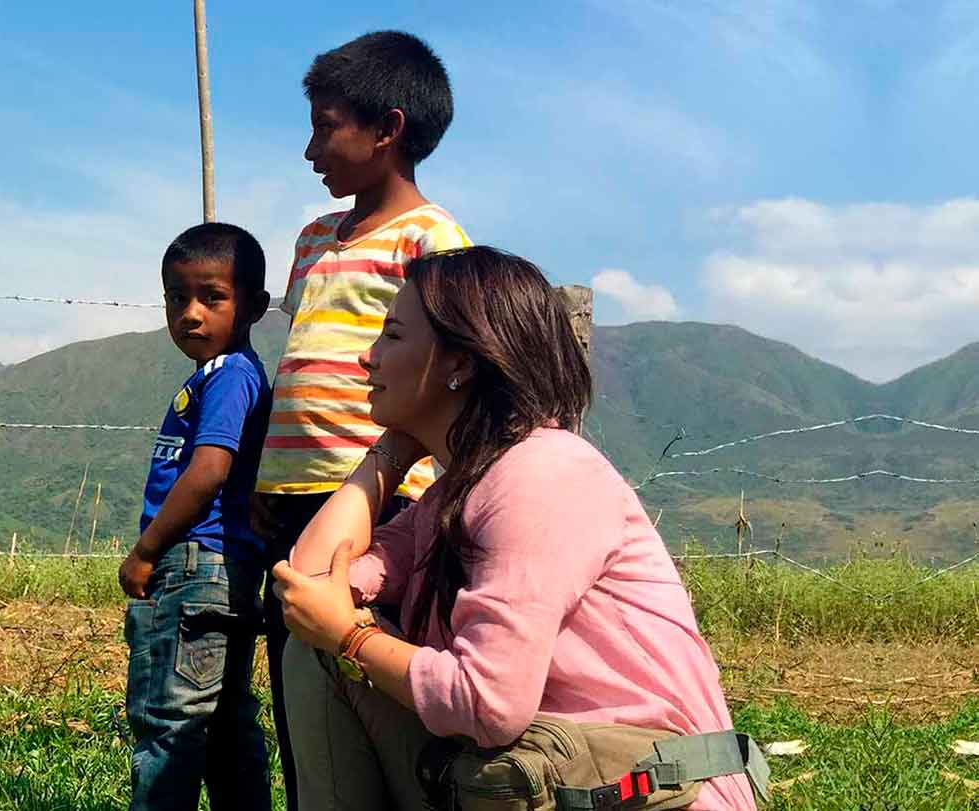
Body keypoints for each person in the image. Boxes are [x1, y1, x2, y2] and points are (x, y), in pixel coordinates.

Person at [270, 246, 763, 810]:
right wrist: (389, 452)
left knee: (330, 651)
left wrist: (352, 638)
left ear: (459, 363)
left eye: (393, 336)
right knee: (314, 653)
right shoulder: (456, 492)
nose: (368, 357)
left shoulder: (541, 476)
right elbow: (307, 584)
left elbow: (487, 703)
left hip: (642, 790)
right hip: (541, 776)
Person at [254, 30, 472, 805]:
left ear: (386, 129)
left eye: (325, 124)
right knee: (296, 676)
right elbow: (299, 359)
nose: (311, 147)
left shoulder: (431, 241)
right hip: (284, 499)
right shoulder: (314, 237)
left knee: (367, 676)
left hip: (379, 500)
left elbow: (447, 365)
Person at [120, 222, 275, 811]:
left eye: (212, 298)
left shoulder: (231, 374)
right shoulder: (217, 374)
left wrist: (147, 550)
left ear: (254, 306)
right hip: (223, 569)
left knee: (169, 721)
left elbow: (208, 470)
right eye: (176, 298)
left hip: (192, 565)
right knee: (227, 721)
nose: (190, 314)